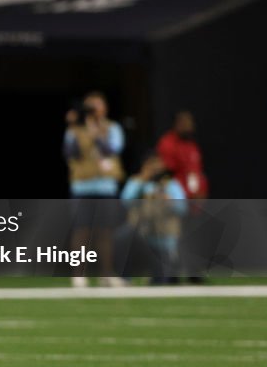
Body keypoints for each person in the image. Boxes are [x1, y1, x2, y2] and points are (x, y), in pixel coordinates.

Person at [64, 91, 125, 287]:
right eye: (90, 107)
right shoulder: (74, 130)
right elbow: (70, 153)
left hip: (105, 187)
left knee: (105, 231)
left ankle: (106, 274)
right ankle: (78, 275)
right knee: (81, 231)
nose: (94, 111)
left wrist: (97, 134)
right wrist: (75, 127)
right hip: (82, 186)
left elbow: (112, 150)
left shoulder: (112, 128)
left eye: (97, 106)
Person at [121, 152, 187, 284]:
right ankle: (124, 278)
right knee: (123, 235)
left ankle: (164, 273)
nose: (155, 168)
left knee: (162, 280)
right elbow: (125, 201)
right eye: (151, 164)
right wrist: (142, 182)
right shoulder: (137, 182)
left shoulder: (171, 184)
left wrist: (170, 201)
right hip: (142, 237)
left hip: (164, 238)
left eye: (158, 164)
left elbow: (182, 208)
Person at [156, 111, 208, 200]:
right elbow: (166, 173)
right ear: (178, 123)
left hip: (197, 198)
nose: (190, 126)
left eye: (190, 123)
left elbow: (196, 171)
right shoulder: (168, 143)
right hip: (178, 197)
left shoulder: (191, 144)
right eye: (186, 123)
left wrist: (201, 189)